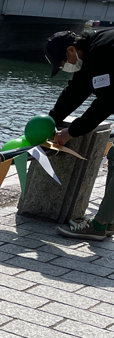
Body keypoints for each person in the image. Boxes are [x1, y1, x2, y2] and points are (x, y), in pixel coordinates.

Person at [44, 28, 114, 240]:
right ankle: (108, 221)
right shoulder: (91, 52)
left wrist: (71, 132)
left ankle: (99, 225)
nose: (65, 67)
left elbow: (107, 101)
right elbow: (76, 90)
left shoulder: (104, 50)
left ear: (71, 49)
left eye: (62, 63)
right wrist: (51, 121)